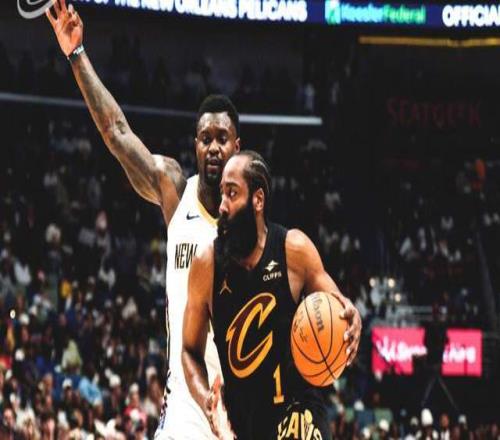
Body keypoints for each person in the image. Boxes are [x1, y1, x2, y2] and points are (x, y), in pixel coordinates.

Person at [46, 2, 241, 438]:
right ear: (195, 145)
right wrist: (76, 54)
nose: (213, 147)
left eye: (222, 139)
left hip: (239, 407)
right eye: (205, 138)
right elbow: (116, 133)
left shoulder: (253, 223)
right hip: (186, 407)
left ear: (237, 146)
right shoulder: (175, 190)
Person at [182, 151, 362, 439]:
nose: (222, 205)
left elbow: (339, 310)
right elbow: (189, 351)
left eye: (232, 193)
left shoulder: (294, 250)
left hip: (299, 413)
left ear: (258, 200)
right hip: (245, 426)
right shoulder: (206, 266)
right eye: (222, 194)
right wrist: (208, 401)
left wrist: (352, 317)